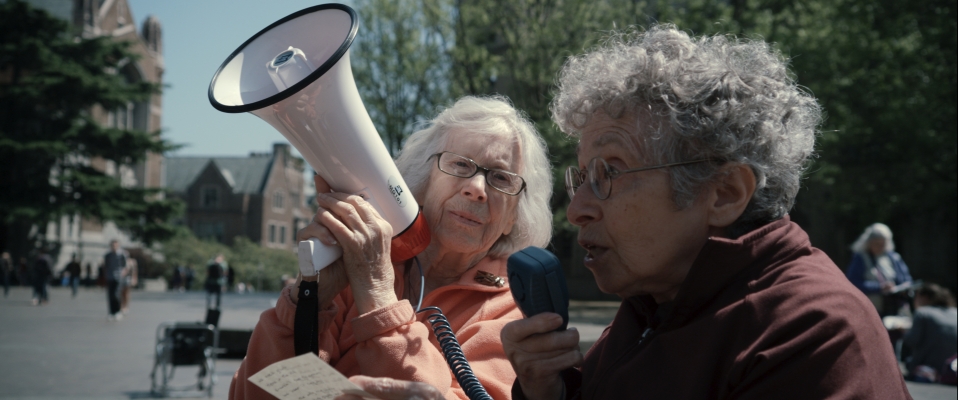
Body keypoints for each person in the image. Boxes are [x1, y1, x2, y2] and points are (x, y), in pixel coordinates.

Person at [501, 24, 911, 399]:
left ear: (725, 194)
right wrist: (550, 394)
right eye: (583, 176)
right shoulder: (656, 304)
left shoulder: (811, 331)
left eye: (610, 172)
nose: (576, 210)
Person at [230, 95, 553, 399]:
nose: (477, 188)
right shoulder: (354, 263)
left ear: (514, 217)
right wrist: (307, 303)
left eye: (501, 178)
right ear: (423, 182)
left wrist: (376, 291)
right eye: (460, 165)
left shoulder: (517, 312)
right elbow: (252, 393)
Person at [846, 222, 914, 316]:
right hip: (872, 310)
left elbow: (906, 279)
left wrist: (903, 288)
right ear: (869, 242)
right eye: (877, 244)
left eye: (883, 244)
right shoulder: (860, 258)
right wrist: (879, 287)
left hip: (896, 308)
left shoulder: (893, 257)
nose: (880, 247)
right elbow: (853, 283)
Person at [902, 283, 958, 383]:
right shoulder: (955, 312)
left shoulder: (922, 312)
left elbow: (912, 340)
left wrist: (904, 332)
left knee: (906, 360)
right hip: (952, 367)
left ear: (924, 297)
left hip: (929, 368)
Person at [103, 240, 128, 320]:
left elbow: (125, 266)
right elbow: (106, 266)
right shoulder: (108, 255)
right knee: (110, 295)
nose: (114, 247)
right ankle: (111, 312)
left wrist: (123, 273)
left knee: (116, 294)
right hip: (110, 276)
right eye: (112, 245)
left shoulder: (122, 254)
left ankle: (118, 311)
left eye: (115, 245)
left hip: (119, 276)